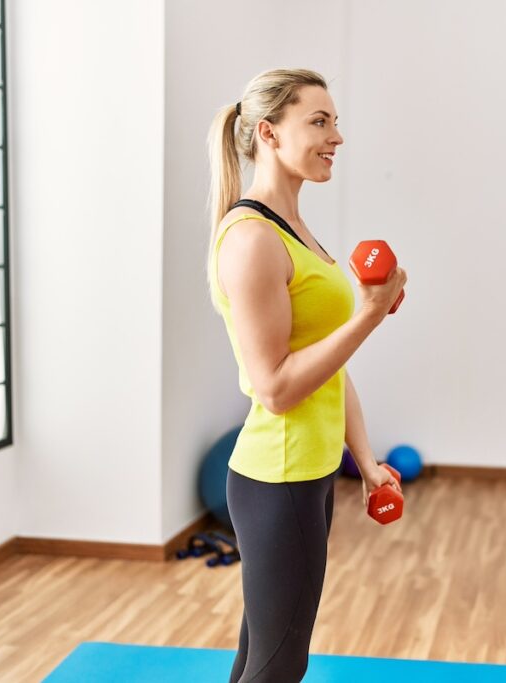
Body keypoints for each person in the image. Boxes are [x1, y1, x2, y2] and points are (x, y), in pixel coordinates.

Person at [205, 68, 407, 683]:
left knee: (262, 655)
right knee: (278, 665)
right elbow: (277, 386)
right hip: (279, 477)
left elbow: (329, 368)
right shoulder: (252, 240)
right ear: (267, 132)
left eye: (335, 121)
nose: (336, 137)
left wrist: (366, 459)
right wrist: (370, 314)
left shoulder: (296, 233)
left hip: (309, 474)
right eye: (318, 122)